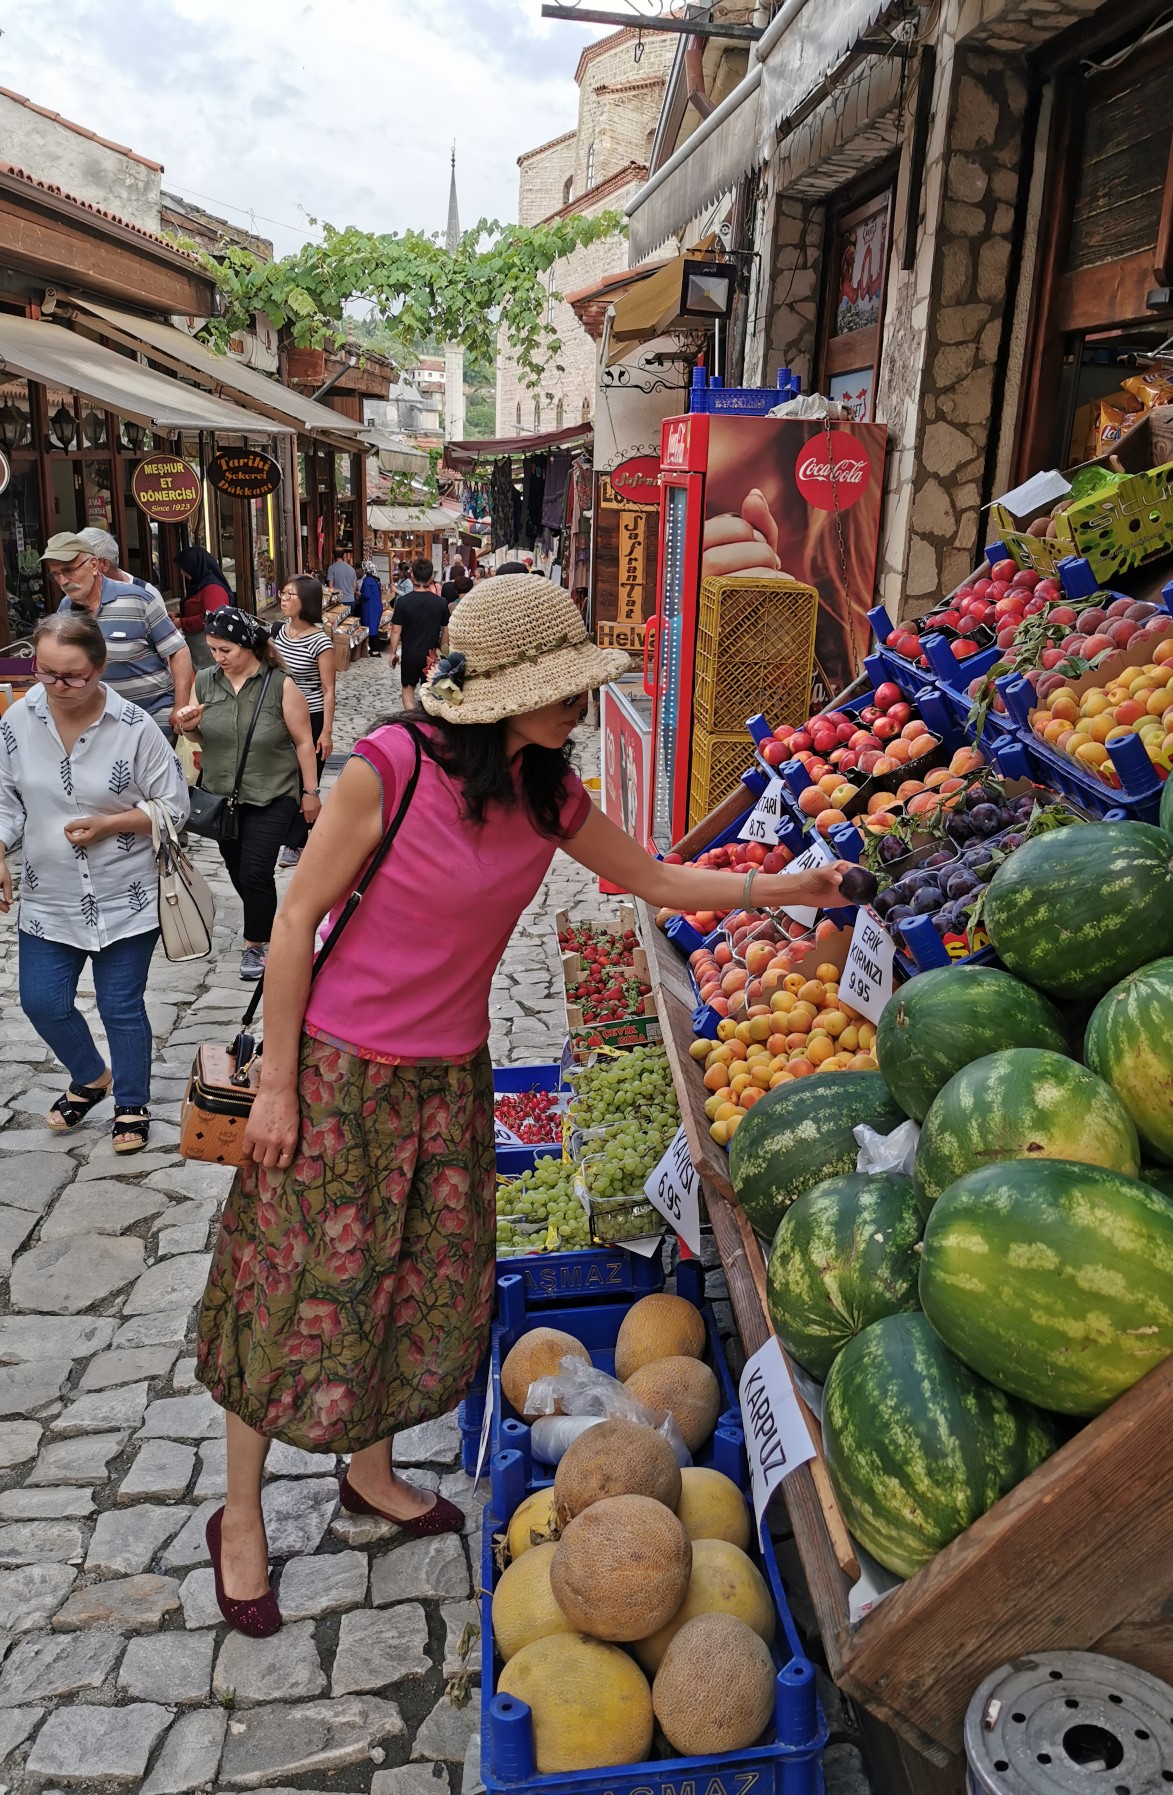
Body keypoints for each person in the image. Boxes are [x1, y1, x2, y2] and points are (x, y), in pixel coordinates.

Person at [193, 572, 850, 1635]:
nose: (578, 712)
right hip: (340, 1072)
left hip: (451, 1075)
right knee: (288, 1288)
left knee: (412, 1280)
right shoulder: (385, 770)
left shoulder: (548, 792)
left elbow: (659, 881)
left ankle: (370, 1470)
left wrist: (786, 888)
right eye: (561, 694)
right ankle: (239, 1517)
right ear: (497, 696)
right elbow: (294, 918)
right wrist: (276, 1084)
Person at [0, 613, 190, 1154]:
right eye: (46, 672)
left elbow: (174, 808)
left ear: (100, 668)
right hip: (48, 890)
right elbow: (5, 799)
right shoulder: (16, 722)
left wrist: (114, 823)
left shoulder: (135, 728)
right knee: (42, 1002)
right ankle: (91, 1076)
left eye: (73, 676)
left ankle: (131, 1101)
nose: (58, 686)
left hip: (124, 892)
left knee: (120, 1006)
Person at [171, 609, 320, 982]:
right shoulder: (204, 682)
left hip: (273, 793)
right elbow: (198, 738)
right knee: (238, 870)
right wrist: (189, 729)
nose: (218, 658)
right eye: (213, 650)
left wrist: (311, 792)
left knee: (255, 873)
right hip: (222, 796)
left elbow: (303, 742)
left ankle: (256, 944)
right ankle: (264, 915)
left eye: (225, 650)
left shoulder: (279, 685)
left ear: (249, 646)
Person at [44, 530, 193, 739]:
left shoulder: (137, 599)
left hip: (152, 720)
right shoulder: (66, 609)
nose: (63, 580)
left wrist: (180, 707)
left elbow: (179, 651)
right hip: (98, 725)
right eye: (55, 574)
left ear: (94, 565)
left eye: (69, 570)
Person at [271, 576, 337, 869]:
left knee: (305, 777)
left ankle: (295, 841)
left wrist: (326, 731)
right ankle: (293, 831)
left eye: (290, 595)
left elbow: (328, 690)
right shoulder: (278, 632)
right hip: (279, 714)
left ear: (306, 601)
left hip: (310, 716)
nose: (283, 599)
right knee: (283, 774)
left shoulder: (320, 640)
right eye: (283, 593)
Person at [387, 558, 446, 711]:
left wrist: (392, 653)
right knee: (431, 692)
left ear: (412, 576)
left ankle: (412, 720)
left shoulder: (404, 602)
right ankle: (427, 721)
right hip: (432, 655)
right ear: (431, 577)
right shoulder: (441, 603)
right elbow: (446, 630)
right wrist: (442, 652)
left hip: (410, 653)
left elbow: (396, 630)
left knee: (408, 689)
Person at [174, 546, 233, 671]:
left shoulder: (212, 588)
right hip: (201, 647)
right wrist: (179, 616)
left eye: (184, 569)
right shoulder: (199, 585)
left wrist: (181, 623)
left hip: (209, 648)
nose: (182, 573)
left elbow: (210, 617)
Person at [358, 561, 387, 656]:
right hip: (376, 606)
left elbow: (367, 595)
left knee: (370, 628)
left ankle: (374, 650)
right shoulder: (375, 580)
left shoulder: (367, 581)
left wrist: (358, 594)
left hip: (370, 607)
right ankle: (374, 649)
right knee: (374, 627)